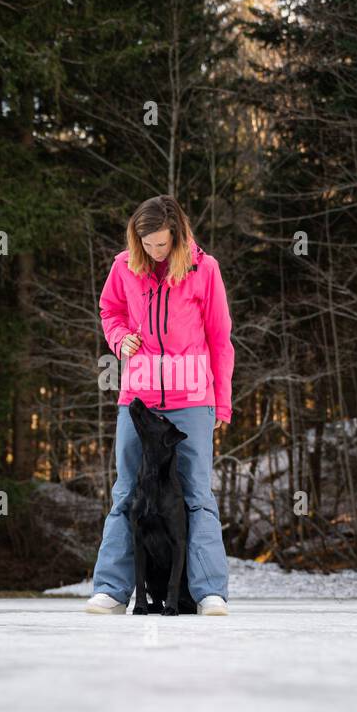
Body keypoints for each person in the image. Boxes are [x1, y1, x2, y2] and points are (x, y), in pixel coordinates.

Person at [85, 195, 235, 616]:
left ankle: (209, 593)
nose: (154, 252)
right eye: (147, 244)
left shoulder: (205, 271)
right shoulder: (123, 267)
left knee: (197, 495)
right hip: (138, 398)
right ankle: (111, 592)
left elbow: (221, 341)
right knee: (125, 493)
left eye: (162, 245)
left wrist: (220, 405)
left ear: (179, 236)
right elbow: (110, 311)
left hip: (193, 400)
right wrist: (119, 340)